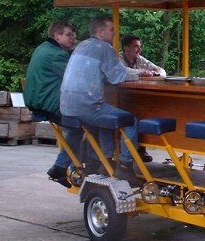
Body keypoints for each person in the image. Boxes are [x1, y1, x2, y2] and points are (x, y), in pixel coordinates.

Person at [60, 16, 142, 187]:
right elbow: (117, 76)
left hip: (66, 107)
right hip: (87, 107)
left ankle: (105, 161)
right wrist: (140, 74)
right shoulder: (104, 47)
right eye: (111, 30)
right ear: (101, 31)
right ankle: (125, 166)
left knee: (107, 117)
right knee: (131, 120)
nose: (114, 33)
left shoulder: (82, 45)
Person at [23, 21, 82, 188]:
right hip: (48, 103)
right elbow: (77, 78)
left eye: (73, 35)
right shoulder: (57, 55)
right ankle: (65, 167)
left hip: (37, 101)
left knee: (79, 125)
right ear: (56, 35)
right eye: (68, 35)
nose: (73, 38)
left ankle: (69, 167)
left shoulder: (43, 48)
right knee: (85, 124)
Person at [119, 34, 167, 162]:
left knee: (144, 111)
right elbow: (122, 72)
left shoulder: (140, 59)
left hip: (135, 97)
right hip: (118, 98)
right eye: (136, 47)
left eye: (140, 46)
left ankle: (141, 148)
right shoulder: (118, 58)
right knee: (131, 119)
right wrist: (142, 72)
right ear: (126, 48)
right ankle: (126, 158)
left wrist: (156, 72)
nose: (139, 50)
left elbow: (161, 71)